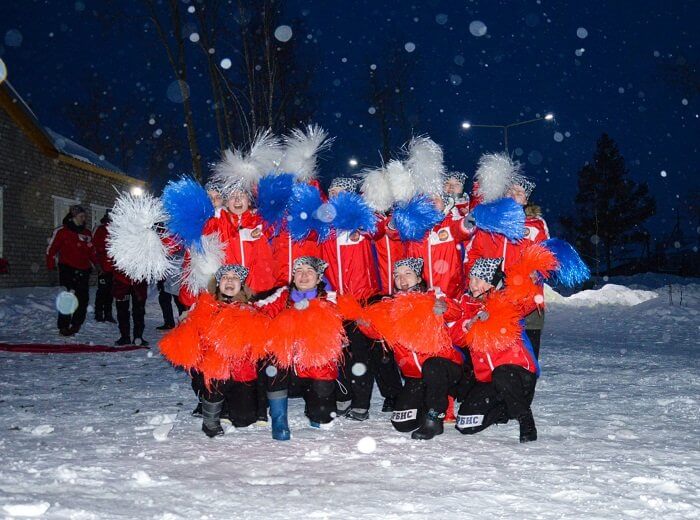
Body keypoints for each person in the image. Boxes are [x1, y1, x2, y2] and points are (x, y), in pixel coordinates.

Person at [359, 258, 467, 440]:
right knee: (402, 424)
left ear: (418, 278)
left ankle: (434, 418)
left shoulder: (433, 297)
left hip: (445, 368)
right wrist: (363, 324)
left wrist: (444, 307)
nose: (402, 279)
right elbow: (377, 333)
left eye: (407, 274)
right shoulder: (389, 306)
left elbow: (457, 311)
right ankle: (429, 403)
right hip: (415, 376)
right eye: (397, 275)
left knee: (433, 367)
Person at [161, 264, 260, 437]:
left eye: (235, 278)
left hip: (240, 372)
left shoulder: (251, 310)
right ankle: (210, 420)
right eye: (225, 278)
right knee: (216, 370)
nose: (229, 281)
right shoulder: (205, 306)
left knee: (244, 418)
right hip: (212, 370)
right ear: (218, 283)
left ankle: (227, 406)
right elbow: (186, 340)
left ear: (242, 285)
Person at [254, 256, 344, 440]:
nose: (303, 276)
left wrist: (310, 309)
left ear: (319, 278)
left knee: (323, 416)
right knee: (273, 359)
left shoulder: (330, 297)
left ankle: (314, 410)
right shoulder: (281, 295)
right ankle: (279, 420)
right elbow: (258, 308)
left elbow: (337, 316)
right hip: (285, 371)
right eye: (299, 272)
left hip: (314, 371)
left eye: (309, 272)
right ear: (293, 277)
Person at [454, 258, 539, 443]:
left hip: (518, 376)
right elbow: (455, 335)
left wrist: (530, 282)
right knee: (465, 424)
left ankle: (525, 419)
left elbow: (528, 302)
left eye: (478, 280)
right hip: (488, 380)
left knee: (502, 374)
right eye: (471, 279)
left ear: (492, 282)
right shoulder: (467, 306)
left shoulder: (507, 300)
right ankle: (506, 407)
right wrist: (470, 324)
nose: (472, 284)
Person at [321, 177, 385, 421]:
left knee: (359, 354)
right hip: (333, 300)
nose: (334, 198)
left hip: (362, 299)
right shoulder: (325, 228)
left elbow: (379, 230)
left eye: (340, 193)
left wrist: (361, 217)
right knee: (339, 352)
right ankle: (344, 395)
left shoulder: (361, 220)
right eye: (332, 193)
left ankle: (361, 402)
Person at [505, 178, 550, 359]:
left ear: (526, 199)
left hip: (529, 297)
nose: (514, 196)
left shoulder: (536, 225)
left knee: (528, 352)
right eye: (510, 191)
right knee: (503, 353)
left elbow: (547, 256)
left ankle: (528, 383)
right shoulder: (496, 222)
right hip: (502, 295)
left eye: (519, 192)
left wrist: (537, 271)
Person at [404, 193, 474, 299]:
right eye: (427, 199)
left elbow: (461, 230)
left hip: (451, 293)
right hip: (423, 295)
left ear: (445, 201)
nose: (432, 202)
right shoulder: (415, 228)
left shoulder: (451, 221)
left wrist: (470, 220)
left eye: (436, 198)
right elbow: (394, 235)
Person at [46, 205, 97, 336]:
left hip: (83, 270)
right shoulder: (62, 232)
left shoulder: (86, 233)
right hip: (67, 269)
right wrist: (51, 266)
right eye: (81, 216)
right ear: (73, 217)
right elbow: (51, 249)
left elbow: (92, 252)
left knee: (83, 300)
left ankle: (76, 324)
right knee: (67, 299)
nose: (84, 219)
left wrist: (98, 265)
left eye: (84, 216)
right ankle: (63, 326)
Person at [92, 210, 115, 323]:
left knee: (111, 292)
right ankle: (98, 313)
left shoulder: (117, 230)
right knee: (102, 291)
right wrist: (98, 265)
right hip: (103, 267)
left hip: (113, 268)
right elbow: (94, 248)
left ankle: (108, 314)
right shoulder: (100, 229)